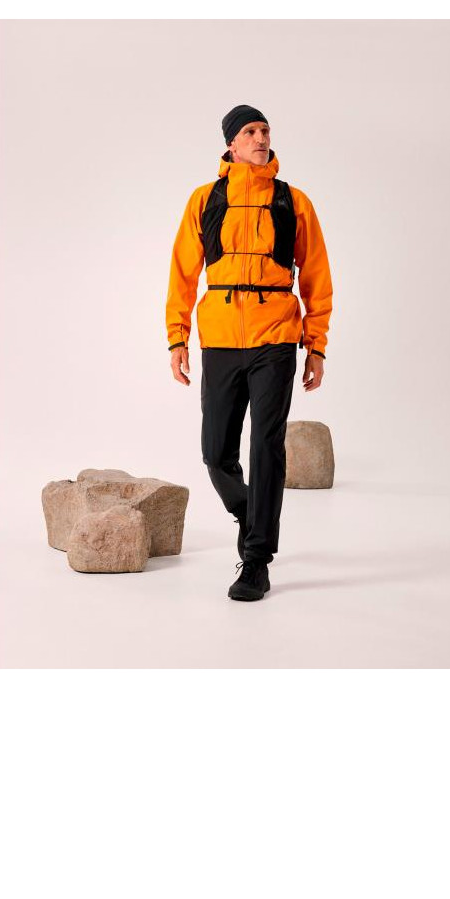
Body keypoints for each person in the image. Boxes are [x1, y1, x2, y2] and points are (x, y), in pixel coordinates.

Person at [165, 105, 333, 601]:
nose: (261, 138)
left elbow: (317, 275)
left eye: (265, 131)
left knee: (265, 446)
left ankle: (256, 560)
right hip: (219, 338)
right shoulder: (205, 199)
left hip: (275, 337)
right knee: (216, 452)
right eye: (250, 131)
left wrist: (316, 345)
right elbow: (182, 273)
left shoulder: (292, 200)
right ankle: (249, 512)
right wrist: (177, 337)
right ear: (231, 144)